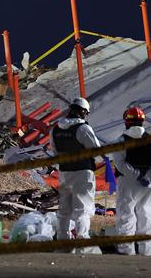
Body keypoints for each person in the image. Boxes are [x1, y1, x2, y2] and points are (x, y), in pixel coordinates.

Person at [50, 97, 101, 254]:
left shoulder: (55, 129)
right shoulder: (83, 129)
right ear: (83, 112)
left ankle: (63, 243)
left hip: (65, 172)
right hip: (82, 172)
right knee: (82, 209)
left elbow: (55, 151)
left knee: (64, 210)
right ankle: (82, 243)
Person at [113, 106, 151, 256]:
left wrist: (136, 175)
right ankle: (146, 251)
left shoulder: (121, 141)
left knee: (126, 215)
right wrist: (147, 177)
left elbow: (120, 163)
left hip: (127, 182)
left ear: (126, 122)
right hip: (146, 184)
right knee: (146, 216)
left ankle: (126, 250)